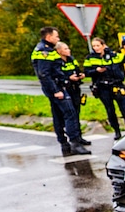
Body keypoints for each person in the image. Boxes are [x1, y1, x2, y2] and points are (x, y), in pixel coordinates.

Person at [31, 27, 89, 156]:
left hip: (59, 85)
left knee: (58, 115)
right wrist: (56, 90)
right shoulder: (44, 51)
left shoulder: (47, 49)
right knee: (70, 113)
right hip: (56, 88)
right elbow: (44, 74)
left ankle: (64, 144)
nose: (58, 39)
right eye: (56, 36)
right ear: (49, 37)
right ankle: (74, 143)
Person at [84, 37, 125, 139]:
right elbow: (86, 72)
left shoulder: (113, 55)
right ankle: (116, 130)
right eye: (94, 46)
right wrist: (96, 71)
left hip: (117, 84)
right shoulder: (90, 58)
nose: (96, 48)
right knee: (110, 110)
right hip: (102, 87)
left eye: (98, 45)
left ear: (103, 45)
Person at [55, 41, 86, 113]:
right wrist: (68, 78)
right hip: (65, 88)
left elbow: (77, 69)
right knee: (70, 111)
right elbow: (58, 75)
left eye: (68, 48)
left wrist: (81, 75)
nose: (69, 50)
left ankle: (77, 124)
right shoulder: (57, 62)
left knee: (77, 109)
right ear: (59, 51)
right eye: (65, 49)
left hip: (75, 87)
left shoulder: (72, 59)